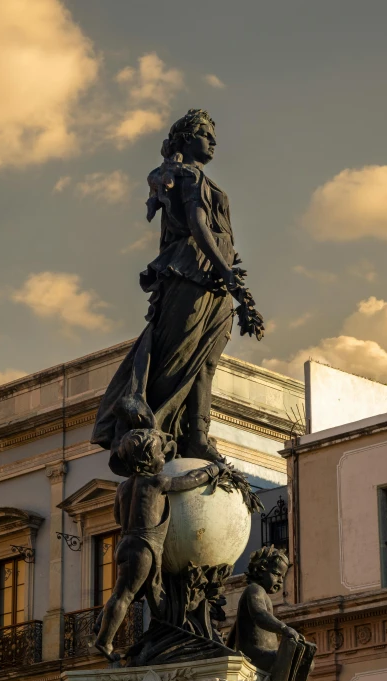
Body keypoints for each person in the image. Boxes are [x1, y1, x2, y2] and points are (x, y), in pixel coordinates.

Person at [91, 109, 264, 474]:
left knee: (206, 360)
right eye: (205, 133)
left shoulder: (198, 178)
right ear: (184, 139)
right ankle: (150, 433)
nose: (213, 141)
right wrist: (226, 272)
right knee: (179, 356)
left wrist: (225, 275)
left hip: (212, 278)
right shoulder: (181, 176)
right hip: (191, 273)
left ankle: (197, 436)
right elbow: (199, 226)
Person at [94, 428, 220, 660]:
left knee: (144, 591)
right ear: (149, 459)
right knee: (126, 594)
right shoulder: (157, 482)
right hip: (144, 546)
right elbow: (188, 481)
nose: (165, 459)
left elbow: (118, 517)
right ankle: (104, 641)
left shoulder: (122, 488)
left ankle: (103, 624)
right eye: (161, 455)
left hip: (127, 542)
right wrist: (212, 470)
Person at [228, 546, 315, 681]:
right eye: (276, 574)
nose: (280, 580)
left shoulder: (262, 594)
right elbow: (260, 615)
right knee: (297, 662)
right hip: (255, 656)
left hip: (266, 655)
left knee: (307, 662)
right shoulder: (254, 590)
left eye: (282, 576)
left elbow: (235, 630)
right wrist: (284, 629)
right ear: (261, 570)